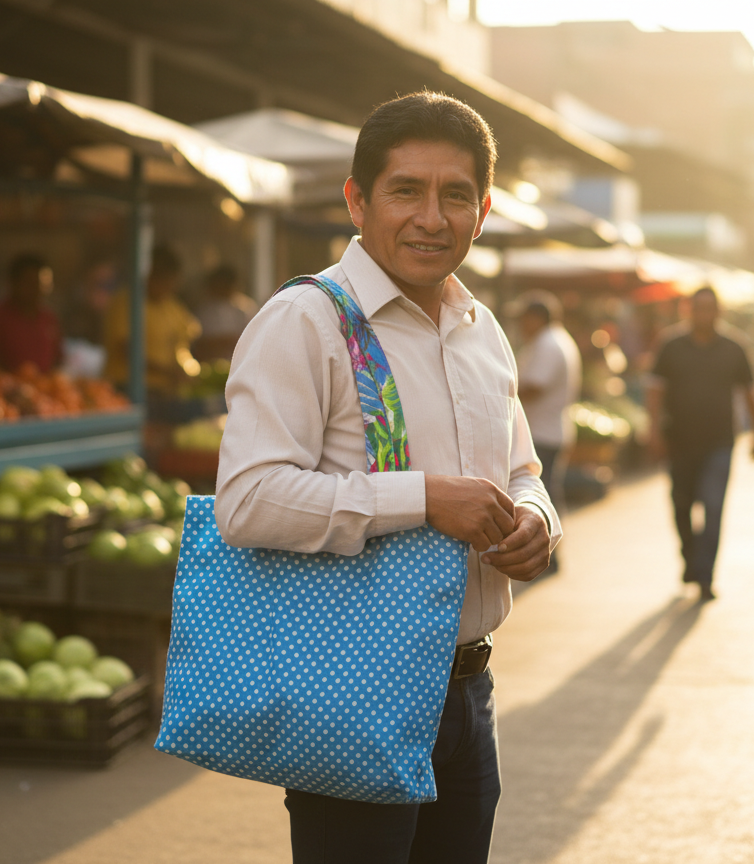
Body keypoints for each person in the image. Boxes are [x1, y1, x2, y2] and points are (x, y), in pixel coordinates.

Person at [215, 91, 561, 864]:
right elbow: (246, 500)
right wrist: (426, 498)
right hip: (355, 688)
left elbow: (524, 470)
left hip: (470, 691)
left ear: (483, 209)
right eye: (406, 191)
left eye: (456, 195)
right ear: (358, 200)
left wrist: (539, 519)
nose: (432, 218)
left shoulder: (482, 330)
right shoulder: (305, 322)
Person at [648, 287, 754, 601]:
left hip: (720, 443)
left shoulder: (734, 348)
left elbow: (751, 392)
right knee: (682, 505)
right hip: (680, 442)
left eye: (710, 308)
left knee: (713, 507)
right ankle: (691, 558)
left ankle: (705, 575)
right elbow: (655, 391)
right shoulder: (671, 346)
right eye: (698, 308)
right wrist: (654, 431)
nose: (704, 315)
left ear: (718, 312)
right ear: (689, 311)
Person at [514, 290, 582, 548]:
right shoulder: (554, 340)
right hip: (549, 429)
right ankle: (549, 550)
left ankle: (548, 550)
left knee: (542, 496)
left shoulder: (549, 343)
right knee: (547, 492)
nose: (521, 324)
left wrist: (500, 393)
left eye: (524, 318)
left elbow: (535, 387)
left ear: (536, 318)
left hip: (543, 432)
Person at [103, 244, 201, 396]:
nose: (168, 287)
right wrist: (166, 371)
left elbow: (188, 337)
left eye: (172, 282)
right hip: (129, 388)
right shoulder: (127, 302)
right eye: (163, 280)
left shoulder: (172, 306)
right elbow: (125, 349)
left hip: (165, 390)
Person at [0, 253, 63, 373]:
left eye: (40, 284)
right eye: (29, 283)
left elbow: (58, 360)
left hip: (43, 389)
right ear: (13, 283)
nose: (35, 289)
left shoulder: (49, 319)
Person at [191, 264, 259, 362]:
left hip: (240, 363)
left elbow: (254, 339)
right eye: (219, 285)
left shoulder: (246, 308)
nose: (222, 288)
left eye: (225, 284)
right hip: (211, 365)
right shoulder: (204, 310)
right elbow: (198, 343)